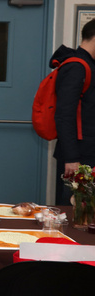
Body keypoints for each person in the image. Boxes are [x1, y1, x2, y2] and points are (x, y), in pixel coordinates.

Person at [53, 18, 95, 204]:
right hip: (78, 158)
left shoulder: (88, 65)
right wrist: (71, 159)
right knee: (73, 213)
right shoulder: (77, 67)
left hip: (87, 153)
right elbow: (64, 115)